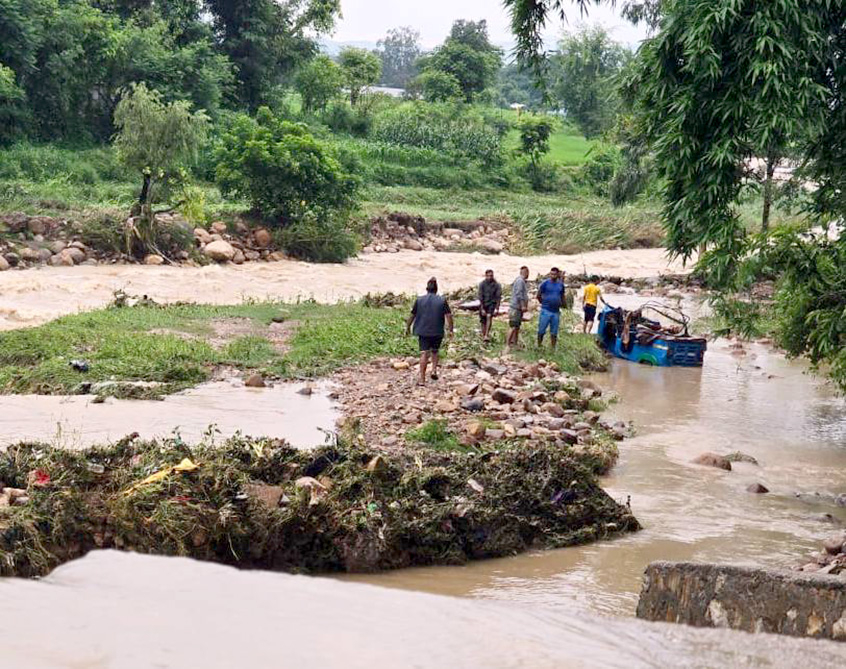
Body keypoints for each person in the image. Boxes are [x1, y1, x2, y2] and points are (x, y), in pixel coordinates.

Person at [405, 277, 454, 385]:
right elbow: (449, 316)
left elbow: (412, 315)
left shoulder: (419, 300)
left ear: (427, 289)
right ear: (436, 289)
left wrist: (407, 327)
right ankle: (434, 370)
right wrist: (451, 330)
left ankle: (422, 379)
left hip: (422, 330)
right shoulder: (442, 300)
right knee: (435, 351)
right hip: (437, 330)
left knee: (424, 353)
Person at [537, 267, 565, 349]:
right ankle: (539, 345)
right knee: (541, 330)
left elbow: (562, 296)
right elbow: (538, 295)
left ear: (557, 274)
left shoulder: (560, 285)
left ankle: (553, 347)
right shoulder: (545, 283)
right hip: (546, 310)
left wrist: (563, 305)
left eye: (554, 274)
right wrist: (543, 303)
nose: (552, 276)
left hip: (556, 311)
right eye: (551, 274)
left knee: (554, 332)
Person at [507, 266, 530, 349]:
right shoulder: (520, 281)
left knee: (517, 326)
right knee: (513, 326)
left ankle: (514, 343)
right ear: (525, 272)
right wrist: (523, 305)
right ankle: (507, 344)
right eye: (527, 272)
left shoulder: (521, 281)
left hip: (518, 308)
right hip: (516, 307)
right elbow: (519, 294)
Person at [477, 269, 502, 343]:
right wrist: (482, 308)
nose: (490, 277)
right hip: (483, 303)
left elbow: (498, 297)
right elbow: (480, 296)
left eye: (491, 276)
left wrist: (497, 308)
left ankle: (486, 335)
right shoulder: (482, 284)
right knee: (482, 321)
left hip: (492, 304)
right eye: (488, 276)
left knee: (489, 317)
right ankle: (483, 335)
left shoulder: (497, 285)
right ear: (485, 276)